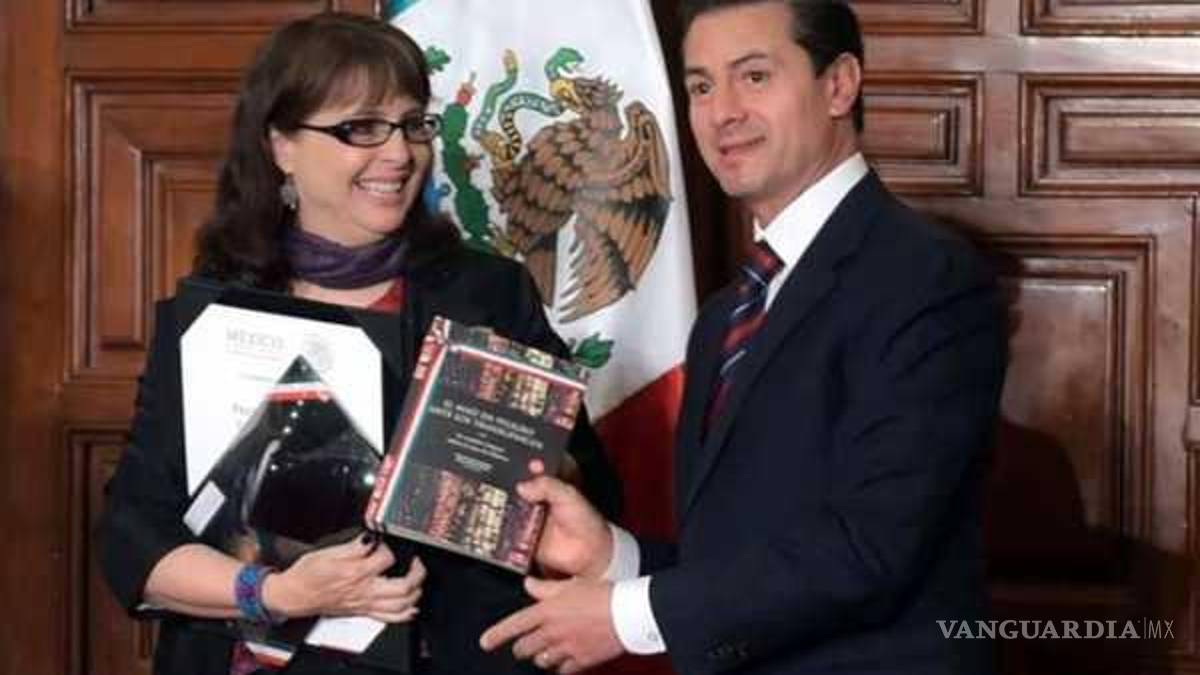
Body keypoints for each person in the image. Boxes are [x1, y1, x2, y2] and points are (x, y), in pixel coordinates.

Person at [479, 1, 1007, 673]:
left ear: (839, 85)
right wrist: (614, 558)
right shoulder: (725, 314)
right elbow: (737, 558)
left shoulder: (926, 277)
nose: (721, 112)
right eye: (701, 86)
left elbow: (871, 548)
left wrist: (627, 615)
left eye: (754, 76)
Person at [97, 11, 620, 675]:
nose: (400, 154)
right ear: (281, 146)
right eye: (361, 128)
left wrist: (523, 446)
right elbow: (134, 534)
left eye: (412, 123)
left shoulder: (490, 293)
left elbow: (592, 492)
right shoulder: (213, 314)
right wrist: (276, 593)